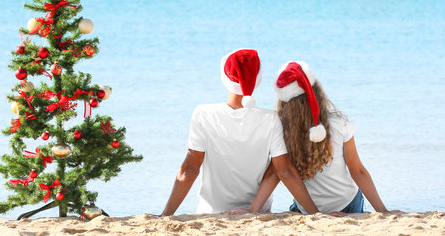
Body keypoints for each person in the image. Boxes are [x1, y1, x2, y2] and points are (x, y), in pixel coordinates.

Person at [161, 50, 319, 216]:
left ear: (225, 78)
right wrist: (316, 214)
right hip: (257, 213)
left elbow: (189, 170)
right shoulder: (270, 119)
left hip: (210, 214)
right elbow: (284, 171)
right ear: (257, 80)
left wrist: (166, 215)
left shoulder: (203, 113)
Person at [244, 61, 393, 214]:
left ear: (283, 100)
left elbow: (274, 173)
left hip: (309, 210)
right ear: (316, 92)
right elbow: (358, 172)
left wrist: (252, 210)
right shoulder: (339, 122)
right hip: (347, 204)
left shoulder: (281, 129)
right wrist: (383, 211)